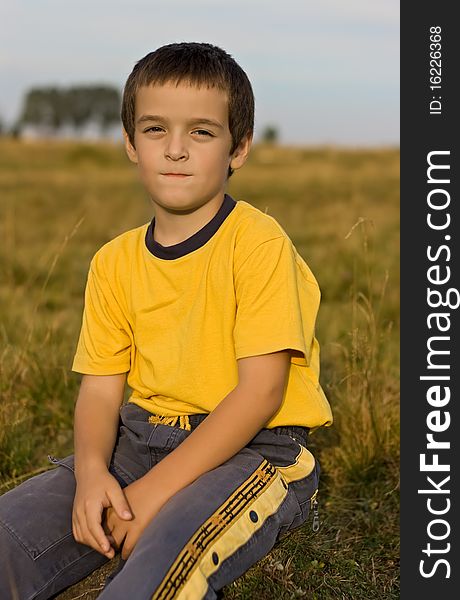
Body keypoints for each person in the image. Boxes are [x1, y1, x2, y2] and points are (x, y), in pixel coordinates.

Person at [0, 42, 333, 599]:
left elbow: (261, 393)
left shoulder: (258, 243)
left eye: (201, 132)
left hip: (255, 450)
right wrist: (90, 475)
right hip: (139, 442)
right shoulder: (113, 261)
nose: (175, 150)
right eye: (156, 129)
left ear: (239, 147)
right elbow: (101, 393)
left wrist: (153, 495)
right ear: (131, 143)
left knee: (159, 565)